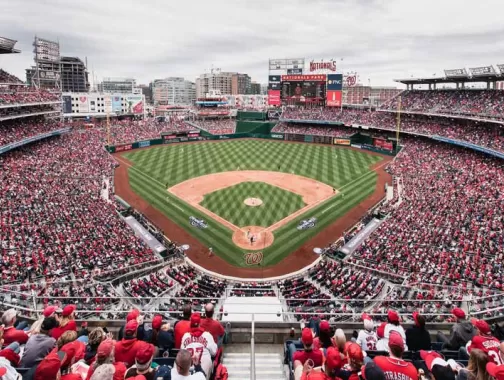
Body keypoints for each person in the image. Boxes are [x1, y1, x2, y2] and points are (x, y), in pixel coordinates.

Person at [180, 313, 217, 379]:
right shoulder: (207, 335)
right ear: (200, 324)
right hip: (203, 374)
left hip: (188, 373)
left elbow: (181, 354)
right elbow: (214, 353)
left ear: (190, 324)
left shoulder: (185, 336)